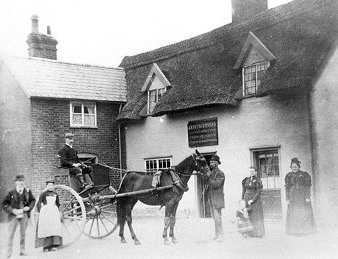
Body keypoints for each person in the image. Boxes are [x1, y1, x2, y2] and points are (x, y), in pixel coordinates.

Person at [2, 175, 36, 258]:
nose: (21, 183)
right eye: (19, 181)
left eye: (22, 181)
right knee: (11, 234)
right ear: (16, 182)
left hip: (24, 215)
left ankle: (22, 250)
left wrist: (29, 207)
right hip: (14, 216)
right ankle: (8, 252)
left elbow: (33, 200)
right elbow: (4, 204)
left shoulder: (27, 192)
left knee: (23, 234)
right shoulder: (10, 192)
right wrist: (12, 210)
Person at [285, 158, 316, 235]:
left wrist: (307, 197)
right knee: (294, 214)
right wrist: (287, 198)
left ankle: (303, 231)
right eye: (292, 167)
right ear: (291, 167)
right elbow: (287, 188)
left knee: (302, 213)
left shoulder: (304, 175)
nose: (294, 168)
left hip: (302, 197)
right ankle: (294, 231)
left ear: (298, 166)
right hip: (292, 197)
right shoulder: (288, 176)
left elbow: (307, 186)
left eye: (295, 166)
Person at [35, 180, 63, 252]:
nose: (50, 187)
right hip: (46, 212)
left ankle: (55, 245)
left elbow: (58, 204)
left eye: (52, 185)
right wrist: (40, 211)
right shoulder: (43, 194)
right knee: (47, 228)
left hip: (54, 212)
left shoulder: (55, 194)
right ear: (46, 186)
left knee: (54, 228)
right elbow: (38, 203)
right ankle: (46, 246)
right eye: (49, 185)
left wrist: (59, 211)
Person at [204, 154, 225, 242]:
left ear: (217, 163)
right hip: (211, 198)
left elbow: (216, 184)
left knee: (218, 217)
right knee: (214, 218)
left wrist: (207, 179)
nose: (210, 163)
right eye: (210, 162)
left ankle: (220, 235)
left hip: (217, 198)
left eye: (212, 162)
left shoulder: (220, 173)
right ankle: (217, 235)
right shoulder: (212, 172)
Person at [241, 166, 265, 237]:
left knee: (256, 216)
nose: (251, 173)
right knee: (247, 215)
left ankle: (258, 233)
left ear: (256, 172)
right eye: (250, 171)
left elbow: (258, 192)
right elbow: (243, 190)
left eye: (253, 171)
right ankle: (248, 232)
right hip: (246, 198)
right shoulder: (246, 180)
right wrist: (242, 199)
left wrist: (252, 200)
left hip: (255, 200)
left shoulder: (258, 180)